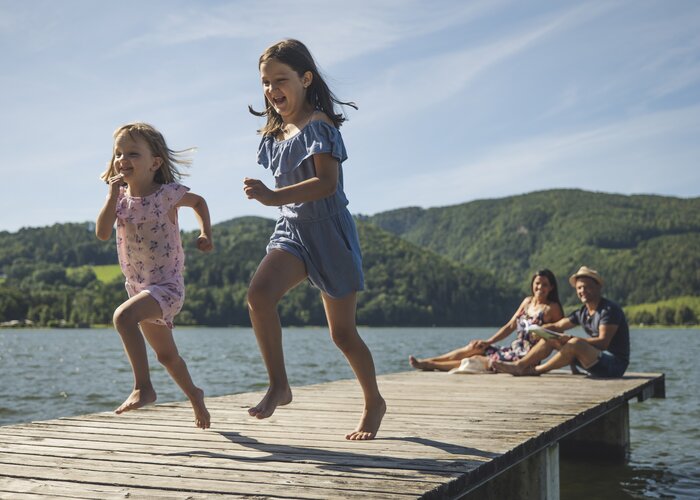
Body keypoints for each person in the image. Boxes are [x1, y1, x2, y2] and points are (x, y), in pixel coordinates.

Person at [243, 39, 386, 441]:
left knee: (342, 334)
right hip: (292, 230)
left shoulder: (320, 125)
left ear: (305, 79)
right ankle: (279, 385)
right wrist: (275, 202)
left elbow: (326, 184)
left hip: (329, 233)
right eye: (266, 83)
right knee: (259, 296)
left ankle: (373, 400)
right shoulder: (275, 134)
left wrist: (271, 197)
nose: (272, 90)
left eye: (280, 80)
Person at [95, 122, 213, 429]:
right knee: (166, 356)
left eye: (132, 153)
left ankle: (143, 387)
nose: (123, 160)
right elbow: (102, 233)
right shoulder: (119, 201)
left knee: (122, 318)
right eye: (118, 153)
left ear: (155, 163)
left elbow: (198, 201)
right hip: (140, 288)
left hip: (166, 288)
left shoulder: (166, 194)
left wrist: (204, 233)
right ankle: (195, 396)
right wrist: (111, 197)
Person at [409, 269, 564, 372]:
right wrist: (488, 342)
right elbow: (510, 326)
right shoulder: (527, 302)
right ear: (532, 284)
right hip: (513, 349)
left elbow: (558, 338)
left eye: (544, 285)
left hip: (527, 356)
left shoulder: (552, 308)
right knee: (474, 347)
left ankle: (432, 365)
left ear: (551, 287)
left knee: (477, 359)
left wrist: (570, 362)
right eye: (537, 283)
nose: (540, 287)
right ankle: (428, 361)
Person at [493, 266, 630, 378]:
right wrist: (540, 329)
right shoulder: (582, 312)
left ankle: (536, 370)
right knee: (550, 337)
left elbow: (603, 342)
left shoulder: (608, 310)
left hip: (614, 366)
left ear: (598, 287)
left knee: (574, 343)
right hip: (592, 362)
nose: (583, 291)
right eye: (579, 288)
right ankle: (521, 365)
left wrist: (570, 338)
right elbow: (558, 325)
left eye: (587, 287)